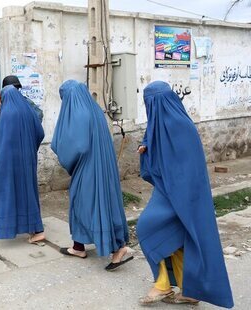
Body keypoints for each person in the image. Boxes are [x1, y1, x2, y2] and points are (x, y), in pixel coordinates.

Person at [137, 81, 233, 308]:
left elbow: (186, 171)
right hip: (167, 191)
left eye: (150, 103)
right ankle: (187, 288)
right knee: (176, 239)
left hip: (184, 197)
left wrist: (181, 202)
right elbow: (152, 146)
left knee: (146, 228)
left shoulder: (182, 127)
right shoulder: (160, 124)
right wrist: (145, 149)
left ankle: (162, 286)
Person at [51, 80, 132, 271]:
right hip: (103, 166)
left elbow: (77, 146)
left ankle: (117, 248)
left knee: (87, 205)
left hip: (88, 167)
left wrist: (64, 154)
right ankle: (78, 247)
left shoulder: (79, 114)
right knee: (98, 203)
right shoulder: (94, 109)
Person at [0, 85, 45, 243]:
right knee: (28, 192)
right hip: (27, 160)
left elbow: (3, 140)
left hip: (9, 161)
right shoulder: (28, 110)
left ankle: (9, 226)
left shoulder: (7, 113)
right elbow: (40, 133)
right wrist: (30, 149)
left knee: (5, 191)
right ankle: (36, 229)